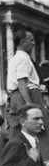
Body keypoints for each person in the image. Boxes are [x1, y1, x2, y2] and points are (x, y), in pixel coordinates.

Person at [7, 29, 49, 158]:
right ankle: (45, 162)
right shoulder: (23, 59)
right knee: (41, 129)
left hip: (17, 97)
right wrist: (29, 105)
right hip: (29, 95)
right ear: (22, 42)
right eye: (31, 40)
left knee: (20, 132)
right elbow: (21, 82)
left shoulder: (16, 58)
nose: (34, 43)